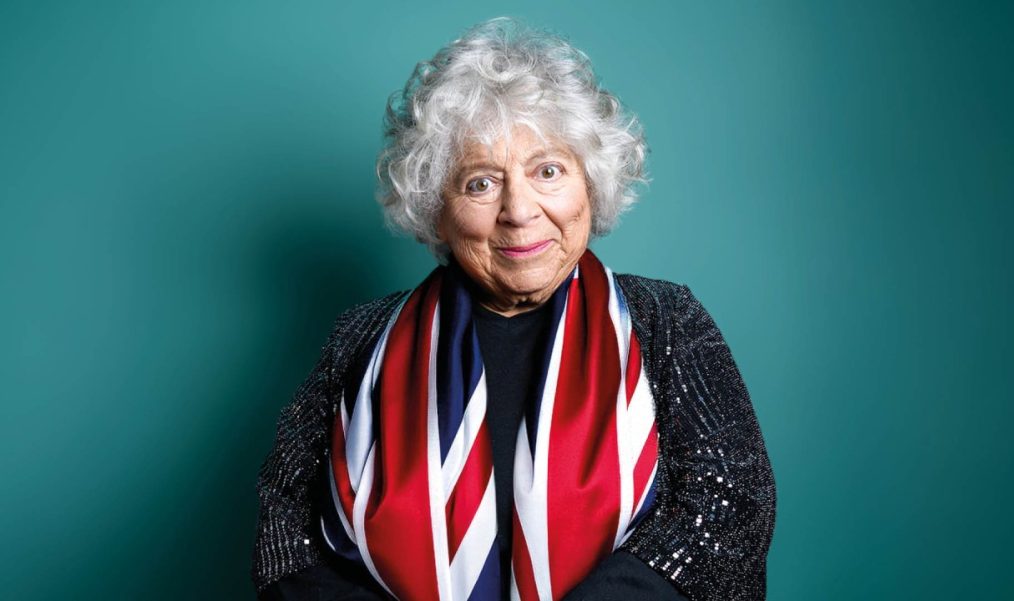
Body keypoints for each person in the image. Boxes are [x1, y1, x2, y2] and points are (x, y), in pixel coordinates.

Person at [252, 17, 775, 601]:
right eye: (480, 183)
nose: (519, 211)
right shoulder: (361, 336)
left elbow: (730, 505)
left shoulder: (665, 319)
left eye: (547, 171)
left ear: (589, 185)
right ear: (436, 209)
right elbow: (286, 532)